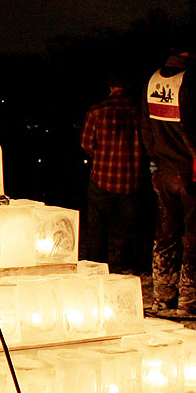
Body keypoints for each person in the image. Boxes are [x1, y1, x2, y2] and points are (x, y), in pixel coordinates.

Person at [141, 45, 196, 319]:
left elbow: (146, 127)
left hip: (162, 170)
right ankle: (190, 300)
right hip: (190, 172)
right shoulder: (190, 82)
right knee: (195, 237)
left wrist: (154, 160)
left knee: (165, 235)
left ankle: (163, 297)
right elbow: (194, 127)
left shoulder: (152, 80)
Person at [80, 74, 145, 273]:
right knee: (131, 228)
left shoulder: (97, 111)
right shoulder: (139, 113)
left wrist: (102, 155)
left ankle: (97, 265)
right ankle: (130, 265)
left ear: (110, 86)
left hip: (102, 178)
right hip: (132, 178)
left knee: (98, 227)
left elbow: (86, 144)